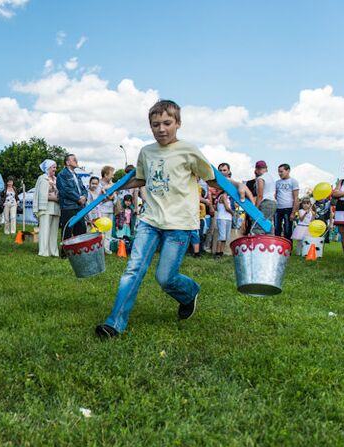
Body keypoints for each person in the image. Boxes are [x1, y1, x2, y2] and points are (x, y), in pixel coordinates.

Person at [95, 99, 251, 338]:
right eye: (155, 124)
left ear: (178, 123)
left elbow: (211, 178)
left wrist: (238, 183)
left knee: (165, 278)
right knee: (133, 269)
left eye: (167, 123)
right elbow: (140, 178)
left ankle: (189, 292)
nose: (161, 129)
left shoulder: (188, 150)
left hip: (179, 224)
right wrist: (115, 187)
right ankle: (114, 323)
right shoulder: (146, 152)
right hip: (150, 220)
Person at [32, 159, 60, 257]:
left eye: (56, 167)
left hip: (56, 208)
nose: (55, 169)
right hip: (46, 207)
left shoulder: (56, 179)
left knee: (54, 230)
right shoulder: (42, 178)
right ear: (48, 168)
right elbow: (41, 194)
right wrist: (54, 198)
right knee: (44, 229)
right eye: (53, 167)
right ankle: (43, 251)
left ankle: (53, 251)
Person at [57, 153, 87, 240]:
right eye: (74, 159)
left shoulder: (77, 175)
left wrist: (84, 196)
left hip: (79, 206)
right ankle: (65, 252)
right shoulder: (62, 175)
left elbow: (83, 188)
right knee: (68, 231)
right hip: (68, 206)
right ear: (67, 162)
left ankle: (79, 251)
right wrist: (78, 198)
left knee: (81, 229)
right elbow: (65, 190)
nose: (76, 161)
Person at [274, 163, 299, 239]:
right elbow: (276, 195)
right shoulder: (277, 182)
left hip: (288, 208)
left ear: (288, 171)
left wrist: (293, 212)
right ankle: (277, 247)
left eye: (281, 171)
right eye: (278, 172)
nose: (279, 173)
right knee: (277, 228)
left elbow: (296, 198)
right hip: (278, 209)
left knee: (287, 230)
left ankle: (288, 248)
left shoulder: (293, 181)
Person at [252, 160, 276, 234]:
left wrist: (256, 208)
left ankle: (258, 243)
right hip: (273, 203)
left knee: (258, 226)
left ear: (257, 169)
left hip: (265, 203)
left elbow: (260, 195)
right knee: (269, 225)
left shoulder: (261, 178)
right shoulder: (270, 177)